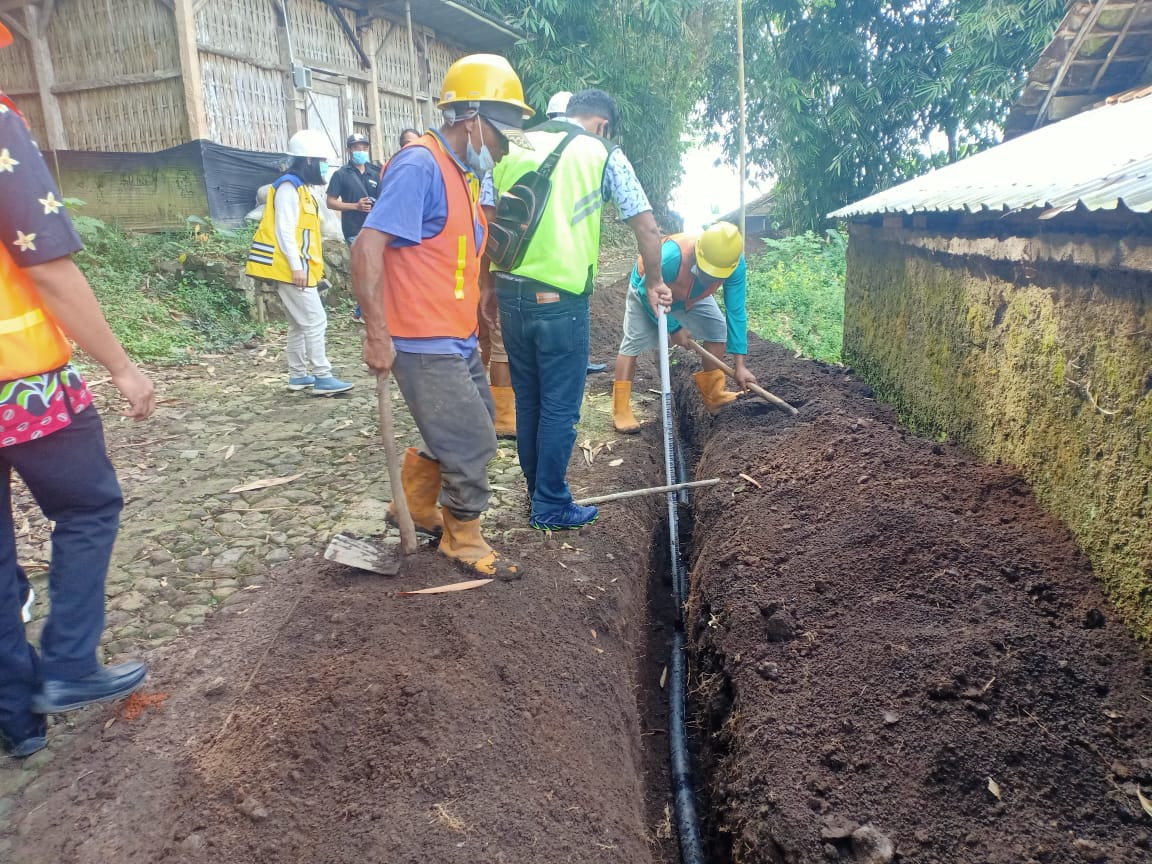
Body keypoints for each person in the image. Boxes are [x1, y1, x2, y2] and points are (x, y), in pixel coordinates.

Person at [0, 25, 155, 759]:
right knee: (90, 505)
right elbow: (49, 267)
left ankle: (16, 720)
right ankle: (65, 667)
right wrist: (122, 365)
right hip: (19, 377)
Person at [351, 53, 532, 580]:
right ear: (472, 119)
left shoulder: (462, 177)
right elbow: (367, 249)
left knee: (461, 430)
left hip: (452, 336)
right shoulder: (420, 165)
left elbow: (452, 256)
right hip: (419, 338)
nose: (499, 152)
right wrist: (377, 333)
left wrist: (479, 304)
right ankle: (462, 539)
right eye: (500, 138)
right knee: (474, 440)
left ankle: (415, 506)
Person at [485, 88, 671, 532]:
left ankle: (537, 494)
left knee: (528, 399)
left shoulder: (518, 142)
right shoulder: (602, 152)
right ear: (602, 124)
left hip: (509, 291)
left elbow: (488, 214)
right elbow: (646, 225)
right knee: (559, 407)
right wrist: (656, 282)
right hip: (559, 300)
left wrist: (485, 285)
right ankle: (550, 503)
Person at [612, 222, 756, 433]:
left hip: (694, 296)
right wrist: (674, 328)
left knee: (717, 329)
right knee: (632, 343)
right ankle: (621, 409)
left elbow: (736, 312)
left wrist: (740, 365)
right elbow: (646, 290)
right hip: (651, 290)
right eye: (707, 272)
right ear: (699, 253)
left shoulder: (734, 266)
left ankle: (714, 395)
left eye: (716, 276)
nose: (710, 278)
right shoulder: (672, 256)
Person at [247, 130, 353, 395]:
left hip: (299, 268)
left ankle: (298, 375)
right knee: (316, 320)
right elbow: (284, 229)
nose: (324, 166)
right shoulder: (288, 187)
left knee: (299, 324)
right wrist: (295, 266)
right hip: (291, 269)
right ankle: (322, 375)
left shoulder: (302, 189)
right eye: (320, 161)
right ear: (307, 160)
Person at [327, 133, 382, 325]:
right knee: (364, 270)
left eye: (364, 148)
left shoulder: (377, 171)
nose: (361, 151)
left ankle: (362, 311)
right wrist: (355, 206)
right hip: (354, 230)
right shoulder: (341, 175)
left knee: (378, 270)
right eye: (357, 148)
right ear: (349, 150)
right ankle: (364, 312)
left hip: (376, 229)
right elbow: (331, 202)